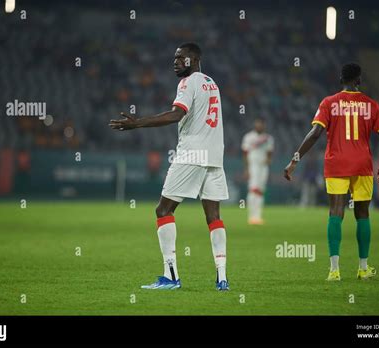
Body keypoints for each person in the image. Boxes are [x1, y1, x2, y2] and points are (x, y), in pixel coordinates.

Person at [109, 43, 230, 291]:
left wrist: (138, 123)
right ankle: (222, 278)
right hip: (215, 155)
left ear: (194, 59)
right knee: (214, 217)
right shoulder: (212, 83)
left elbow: (177, 114)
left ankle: (171, 276)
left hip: (191, 154)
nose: (175, 61)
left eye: (180, 57)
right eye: (174, 57)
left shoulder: (188, 83)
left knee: (163, 210)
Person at [283, 63, 379, 281]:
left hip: (336, 164)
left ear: (340, 80)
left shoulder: (329, 103)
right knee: (362, 214)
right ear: (359, 80)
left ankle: (334, 270)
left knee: (335, 212)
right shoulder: (372, 105)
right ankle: (363, 268)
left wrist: (294, 160)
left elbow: (315, 134)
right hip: (362, 164)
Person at [241, 118, 274, 224]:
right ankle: (251, 215)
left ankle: (258, 216)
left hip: (263, 167)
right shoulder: (249, 137)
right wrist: (246, 168)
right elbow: (245, 153)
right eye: (257, 123)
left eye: (261, 123)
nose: (259, 125)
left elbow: (269, 153)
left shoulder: (268, 138)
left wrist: (268, 160)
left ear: (264, 125)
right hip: (253, 165)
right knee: (253, 189)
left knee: (260, 190)